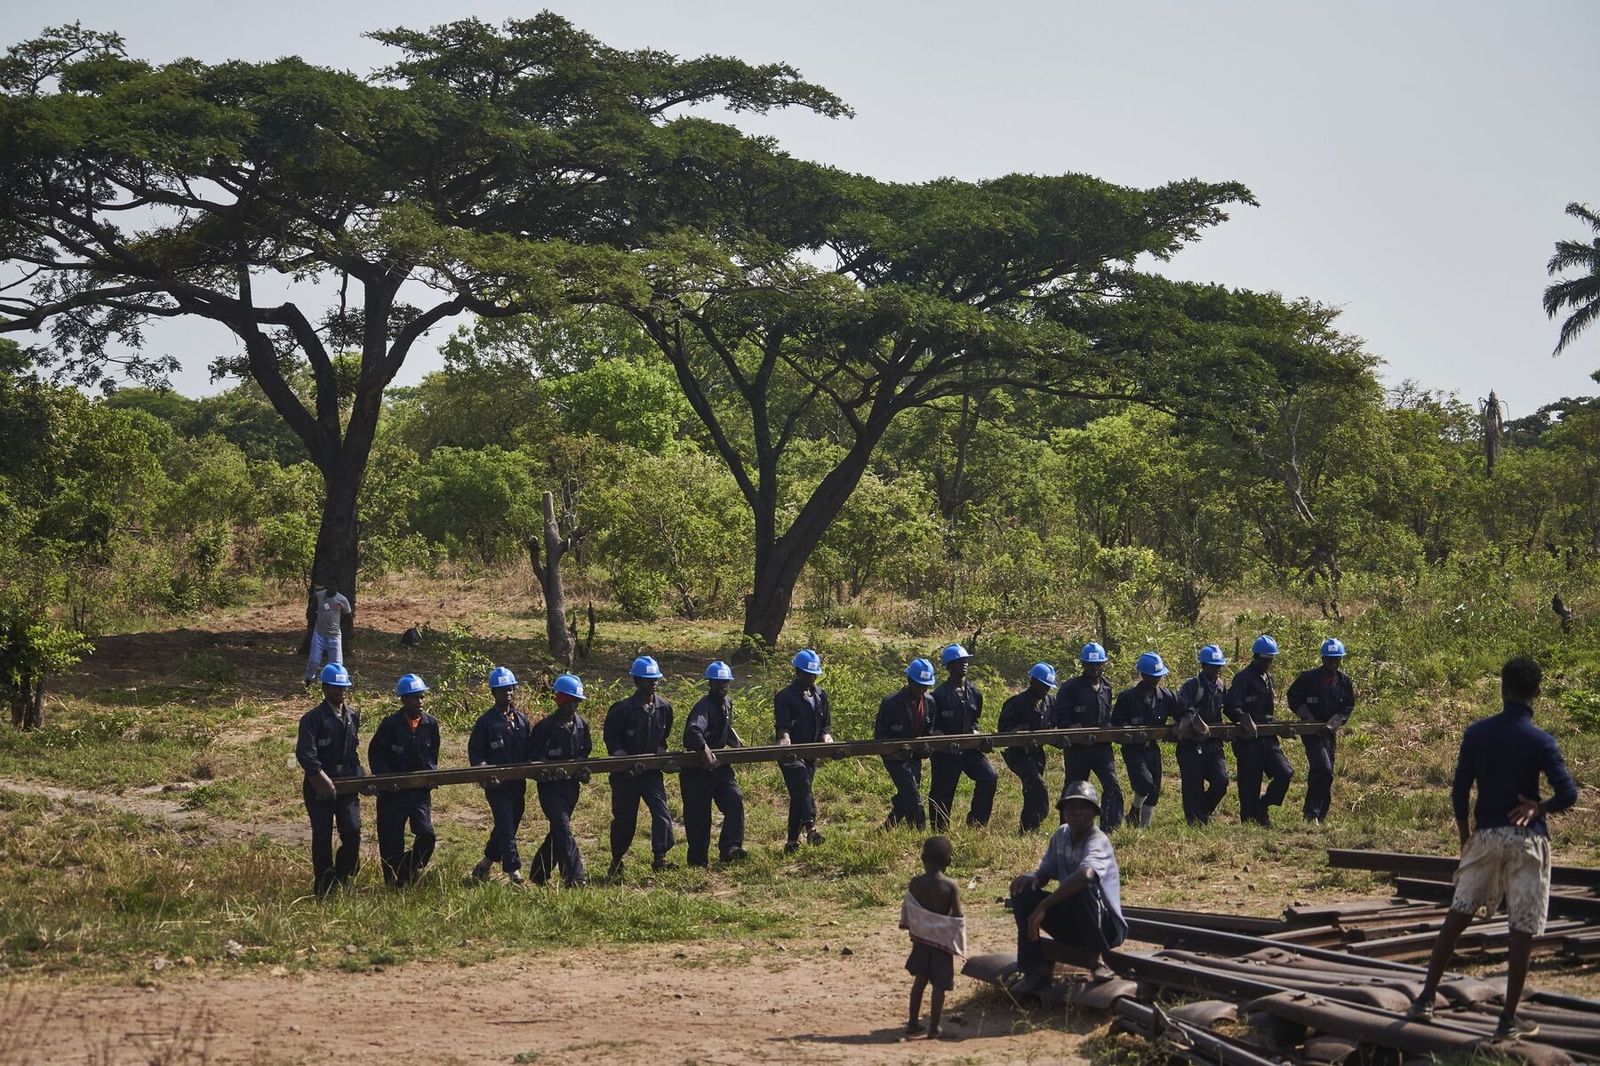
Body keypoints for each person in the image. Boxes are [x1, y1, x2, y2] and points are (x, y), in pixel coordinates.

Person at [1407, 656, 1578, 1040]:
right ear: (1536, 693)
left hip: (1485, 836)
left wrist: (1465, 833)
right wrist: (1540, 807)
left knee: (1457, 917)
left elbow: (1459, 790)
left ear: (1503, 688)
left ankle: (1425, 1000)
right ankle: (1507, 1021)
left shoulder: (1477, 734)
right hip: (1527, 840)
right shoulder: (1541, 740)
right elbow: (1568, 792)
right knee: (1522, 929)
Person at [1006, 781, 1127, 996]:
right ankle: (1035, 969)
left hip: (1103, 928)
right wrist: (1032, 878)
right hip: (1074, 924)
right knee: (1022, 890)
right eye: (1072, 807)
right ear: (1063, 811)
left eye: (1083, 807)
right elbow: (1046, 872)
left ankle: (1097, 960)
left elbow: (1086, 876)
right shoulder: (1061, 834)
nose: (1077, 812)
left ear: (1093, 812)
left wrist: (1043, 905)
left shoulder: (1098, 840)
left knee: (1083, 887)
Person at [603, 655, 676, 879]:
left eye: (655, 679)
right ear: (636, 681)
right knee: (625, 820)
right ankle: (616, 860)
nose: (652, 683)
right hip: (625, 777)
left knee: (662, 813)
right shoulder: (622, 710)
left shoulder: (664, 707)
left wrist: (662, 752)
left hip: (650, 774)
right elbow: (611, 740)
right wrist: (623, 761)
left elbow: (662, 737)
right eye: (647, 680)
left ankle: (660, 857)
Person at [295, 663, 362, 898]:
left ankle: (344, 875)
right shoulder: (312, 719)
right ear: (324, 689)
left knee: (353, 831)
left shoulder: (353, 715)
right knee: (322, 834)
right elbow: (305, 753)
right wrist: (319, 777)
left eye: (344, 687)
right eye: (335, 687)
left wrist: (361, 777)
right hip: (319, 784)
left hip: (347, 782)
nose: (341, 692)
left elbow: (353, 751)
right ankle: (324, 882)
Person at [366, 673, 440, 887]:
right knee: (391, 840)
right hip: (393, 794)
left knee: (427, 835)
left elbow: (432, 754)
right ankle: (392, 881)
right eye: (415, 698)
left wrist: (431, 774)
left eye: (422, 697)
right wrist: (386, 779)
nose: (420, 702)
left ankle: (408, 869)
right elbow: (375, 753)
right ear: (403, 700)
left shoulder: (430, 724)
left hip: (419, 793)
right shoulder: (390, 724)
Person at [468, 667, 533, 884]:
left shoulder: (522, 719)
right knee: (505, 824)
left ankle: (485, 864)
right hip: (497, 786)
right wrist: (485, 772)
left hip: (518, 784)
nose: (508, 693)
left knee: (510, 823)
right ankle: (514, 873)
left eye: (510, 688)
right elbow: (476, 753)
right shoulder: (485, 723)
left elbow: (530, 749)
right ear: (493, 693)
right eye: (502, 689)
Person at [1049, 643, 1124, 830]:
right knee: (1073, 789)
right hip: (1077, 749)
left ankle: (1110, 828)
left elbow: (1108, 715)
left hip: (1101, 748)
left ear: (1103, 664)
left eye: (1098, 664)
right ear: (1083, 664)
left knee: (1112, 786)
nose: (1095, 668)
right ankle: (1066, 828)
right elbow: (1060, 716)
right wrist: (1072, 726)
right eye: (1091, 664)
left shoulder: (1107, 687)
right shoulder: (1070, 687)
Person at [528, 673, 593, 887]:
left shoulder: (582, 725)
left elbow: (585, 752)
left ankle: (539, 872)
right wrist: (546, 768)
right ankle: (575, 877)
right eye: (570, 701)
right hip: (550, 790)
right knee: (563, 829)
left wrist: (582, 769)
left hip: (571, 788)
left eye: (577, 701)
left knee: (558, 830)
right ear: (561, 700)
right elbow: (534, 756)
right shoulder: (545, 727)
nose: (574, 705)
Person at [680, 660, 747, 867]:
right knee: (699, 817)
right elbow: (693, 732)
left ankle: (730, 848)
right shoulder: (704, 706)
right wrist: (704, 749)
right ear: (709, 683)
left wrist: (736, 744)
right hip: (697, 771)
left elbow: (724, 729)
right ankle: (698, 861)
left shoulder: (727, 704)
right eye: (718, 682)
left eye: (725, 682)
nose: (722, 686)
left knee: (734, 800)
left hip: (720, 768)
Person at [899, 835, 965, 1040]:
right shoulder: (950, 886)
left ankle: (912, 1023)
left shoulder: (915, 883)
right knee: (939, 985)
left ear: (922, 857)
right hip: (941, 944)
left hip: (921, 940)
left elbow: (910, 908)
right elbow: (957, 916)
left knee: (920, 981)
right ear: (949, 861)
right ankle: (934, 1028)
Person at [928, 644, 998, 830]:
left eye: (966, 661)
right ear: (949, 667)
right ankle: (939, 830)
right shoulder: (939, 695)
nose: (964, 664)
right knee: (942, 792)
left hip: (969, 750)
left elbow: (974, 720)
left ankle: (976, 823)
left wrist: (975, 733)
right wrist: (942, 740)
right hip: (945, 753)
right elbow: (932, 727)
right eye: (959, 662)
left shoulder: (974, 693)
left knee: (989, 777)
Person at [1225, 635, 1293, 826]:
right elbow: (1231, 706)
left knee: (1284, 773)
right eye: (1265, 660)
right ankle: (1249, 822)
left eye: (1271, 660)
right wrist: (1243, 718)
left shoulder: (1267, 678)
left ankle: (1263, 806)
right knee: (1249, 785)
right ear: (1255, 657)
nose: (1268, 663)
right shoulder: (1243, 678)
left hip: (1268, 739)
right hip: (1248, 742)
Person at [1288, 638, 1357, 823]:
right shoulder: (1307, 678)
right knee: (1323, 769)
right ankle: (1311, 813)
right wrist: (1308, 718)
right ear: (1323, 659)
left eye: (1337, 660)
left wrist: (1334, 723)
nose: (1333, 664)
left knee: (1325, 773)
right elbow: (1293, 698)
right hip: (1311, 733)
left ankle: (1319, 814)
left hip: (1329, 733)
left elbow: (1347, 707)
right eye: (1330, 660)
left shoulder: (1344, 682)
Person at [1110, 653, 1180, 828]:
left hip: (1153, 748)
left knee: (1154, 789)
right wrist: (1132, 733)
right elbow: (1116, 723)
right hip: (1133, 749)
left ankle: (1144, 827)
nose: (1156, 680)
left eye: (1159, 676)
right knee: (1144, 783)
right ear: (1143, 675)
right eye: (1152, 676)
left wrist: (1177, 728)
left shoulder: (1165, 696)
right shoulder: (1127, 697)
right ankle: (1134, 809)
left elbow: (1184, 712)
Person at [775, 649, 833, 853]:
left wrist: (827, 738)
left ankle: (791, 841)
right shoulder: (785, 696)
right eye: (808, 674)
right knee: (802, 784)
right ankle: (811, 826)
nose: (812, 677)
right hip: (791, 755)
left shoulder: (820, 695)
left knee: (800, 793)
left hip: (811, 753)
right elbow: (783, 727)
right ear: (797, 672)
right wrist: (785, 742)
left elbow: (825, 725)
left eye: (814, 674)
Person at [1174, 645, 1232, 825]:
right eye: (1213, 666)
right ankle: (1195, 821)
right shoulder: (1192, 685)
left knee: (1221, 781)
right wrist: (1194, 719)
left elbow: (1228, 708)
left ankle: (1202, 813)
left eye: (1219, 666)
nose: (1217, 670)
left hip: (1213, 744)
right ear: (1203, 665)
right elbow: (1182, 706)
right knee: (1193, 786)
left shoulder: (1221, 686)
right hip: (1191, 744)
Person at [876, 659, 936, 830]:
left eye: (926, 686)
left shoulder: (930, 702)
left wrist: (926, 747)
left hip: (915, 756)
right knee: (912, 793)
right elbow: (880, 735)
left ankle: (887, 827)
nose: (923, 689)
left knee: (908, 792)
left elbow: (929, 731)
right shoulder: (891, 703)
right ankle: (918, 828)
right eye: (919, 685)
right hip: (894, 757)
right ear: (909, 681)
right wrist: (895, 750)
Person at [998, 663, 1057, 833]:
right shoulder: (1015, 703)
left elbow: (1057, 725)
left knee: (1031, 790)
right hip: (1017, 754)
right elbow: (1003, 731)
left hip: (1038, 753)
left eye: (1048, 687)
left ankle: (1029, 828)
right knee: (1037, 785)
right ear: (1032, 681)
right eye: (1042, 685)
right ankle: (1036, 820)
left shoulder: (1051, 702)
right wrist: (1016, 732)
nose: (1045, 690)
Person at [303, 583, 352, 686]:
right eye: (329, 587)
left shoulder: (342, 599)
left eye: (333, 587)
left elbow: (348, 616)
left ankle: (335, 685)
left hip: (334, 636)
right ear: (326, 588)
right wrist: (312, 621)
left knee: (337, 664)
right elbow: (311, 611)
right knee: (314, 661)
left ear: (337, 588)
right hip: (319, 634)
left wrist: (343, 627)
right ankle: (308, 681)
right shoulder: (319, 596)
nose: (330, 590)